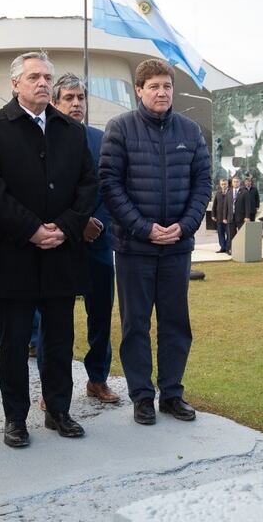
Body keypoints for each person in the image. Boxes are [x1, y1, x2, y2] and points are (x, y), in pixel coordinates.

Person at [0, 52, 96, 448]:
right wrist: (31, 229)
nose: (43, 83)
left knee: (59, 339)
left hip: (60, 252)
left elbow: (88, 186)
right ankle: (15, 419)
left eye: (47, 77)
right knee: (14, 343)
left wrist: (63, 227)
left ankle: (58, 410)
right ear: (15, 84)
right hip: (14, 254)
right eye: (34, 77)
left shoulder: (71, 131)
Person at [100, 59, 211, 426]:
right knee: (135, 325)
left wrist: (185, 226)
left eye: (166, 86)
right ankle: (142, 397)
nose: (162, 93)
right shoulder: (120, 129)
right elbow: (111, 186)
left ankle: (172, 394)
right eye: (154, 87)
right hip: (135, 248)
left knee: (176, 323)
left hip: (177, 246)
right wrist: (144, 228)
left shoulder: (191, 131)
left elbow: (202, 185)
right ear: (138, 90)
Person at [48, 73, 119, 404]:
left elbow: (111, 187)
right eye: (69, 98)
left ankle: (97, 378)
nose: (76, 104)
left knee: (101, 315)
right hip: (59, 242)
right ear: (55, 102)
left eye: (80, 98)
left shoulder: (101, 139)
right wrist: (74, 225)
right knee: (55, 320)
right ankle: (53, 387)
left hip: (97, 242)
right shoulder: (42, 138)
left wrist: (98, 225)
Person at [212, 179, 230, 253]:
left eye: (225, 184)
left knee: (229, 234)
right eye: (222, 184)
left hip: (228, 217)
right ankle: (223, 247)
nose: (223, 185)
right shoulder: (218, 193)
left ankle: (227, 247)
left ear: (227, 184)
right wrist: (213, 215)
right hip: (219, 217)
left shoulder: (231, 192)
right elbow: (214, 205)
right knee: (220, 233)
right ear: (220, 185)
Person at [225, 175, 243, 247]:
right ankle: (232, 249)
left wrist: (247, 216)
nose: (236, 183)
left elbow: (247, 205)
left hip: (240, 218)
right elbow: (226, 206)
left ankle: (240, 249)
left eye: (237, 182)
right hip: (230, 218)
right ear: (232, 183)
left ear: (239, 183)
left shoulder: (244, 192)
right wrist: (224, 217)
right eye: (234, 182)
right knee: (231, 235)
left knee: (241, 235)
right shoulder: (229, 192)